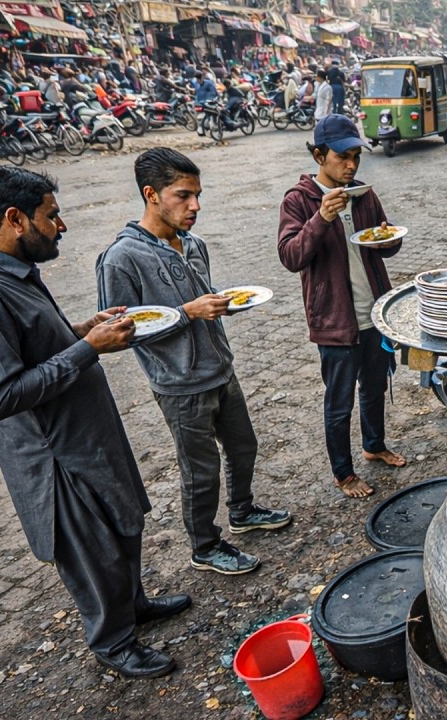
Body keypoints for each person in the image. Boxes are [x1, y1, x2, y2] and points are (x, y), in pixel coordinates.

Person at [0, 166, 188, 679]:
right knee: (92, 551)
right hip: (56, 457)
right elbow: (1, 394)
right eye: (51, 216)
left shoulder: (11, 272)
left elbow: (29, 345)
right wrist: (87, 349)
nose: (62, 226)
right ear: (15, 219)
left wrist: (80, 329)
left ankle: (134, 605)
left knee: (121, 526)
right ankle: (114, 642)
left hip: (85, 435)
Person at [97, 148, 291, 576]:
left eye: (198, 195)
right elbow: (119, 333)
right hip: (181, 386)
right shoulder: (121, 258)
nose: (195, 206)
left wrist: (219, 305)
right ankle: (204, 545)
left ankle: (242, 511)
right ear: (151, 195)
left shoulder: (193, 244)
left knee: (243, 446)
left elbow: (203, 301)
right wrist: (188, 313)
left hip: (220, 369)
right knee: (200, 471)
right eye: (183, 196)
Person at [276, 115, 407, 499]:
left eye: (356, 157)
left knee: (375, 386)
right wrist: (321, 218)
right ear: (319, 156)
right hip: (334, 319)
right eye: (342, 157)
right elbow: (291, 256)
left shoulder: (363, 194)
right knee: (339, 400)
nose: (351, 165)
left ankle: (374, 445)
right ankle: (343, 473)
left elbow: (386, 238)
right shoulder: (298, 200)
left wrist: (388, 240)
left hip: (374, 311)